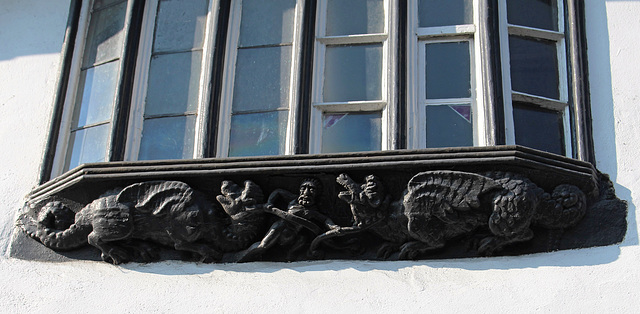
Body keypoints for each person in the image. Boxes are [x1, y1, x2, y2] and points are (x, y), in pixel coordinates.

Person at [237, 178, 337, 262]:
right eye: (303, 188)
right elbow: (278, 191)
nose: (306, 192)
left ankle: (289, 259)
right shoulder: (293, 199)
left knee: (302, 240)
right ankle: (241, 257)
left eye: (311, 189)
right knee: (263, 246)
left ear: (317, 193)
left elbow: (325, 219)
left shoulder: (313, 211)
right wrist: (270, 203)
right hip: (281, 227)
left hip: (294, 234)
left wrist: (333, 226)